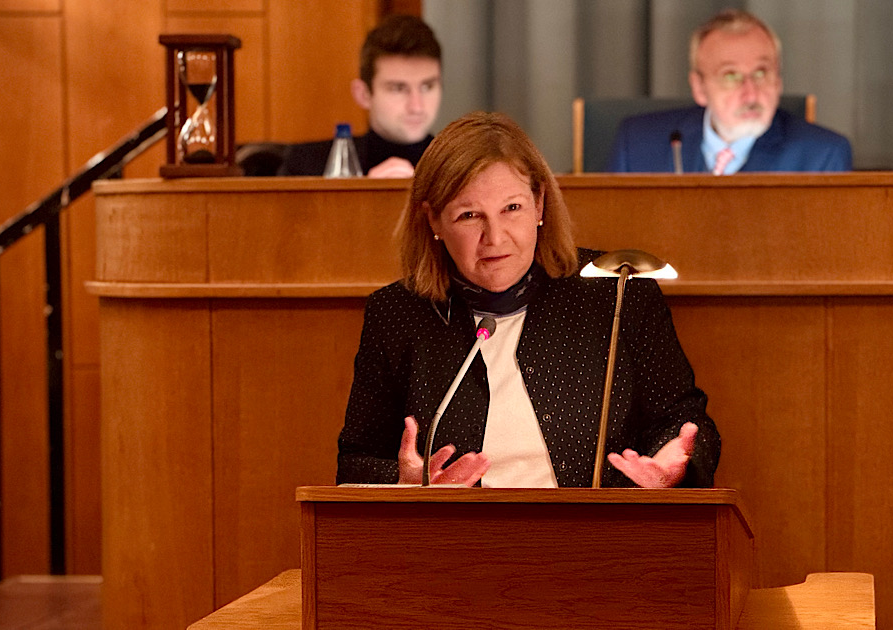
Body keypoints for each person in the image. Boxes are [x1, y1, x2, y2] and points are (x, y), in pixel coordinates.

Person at [337, 111, 721, 488]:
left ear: (539, 203)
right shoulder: (397, 314)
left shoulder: (616, 291)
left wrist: (672, 464)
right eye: (470, 215)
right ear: (433, 220)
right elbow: (354, 462)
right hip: (454, 540)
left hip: (596, 539)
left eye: (512, 208)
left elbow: (684, 421)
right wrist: (404, 482)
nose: (496, 237)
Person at [608, 9, 851, 174]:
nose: (750, 93)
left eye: (760, 73)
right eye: (730, 76)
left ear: (778, 80)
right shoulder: (637, 144)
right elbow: (608, 242)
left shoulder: (822, 156)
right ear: (699, 88)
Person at [278, 15, 442, 178]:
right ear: (363, 94)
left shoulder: (463, 168)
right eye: (398, 89)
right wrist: (363, 197)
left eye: (427, 87)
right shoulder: (307, 165)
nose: (416, 106)